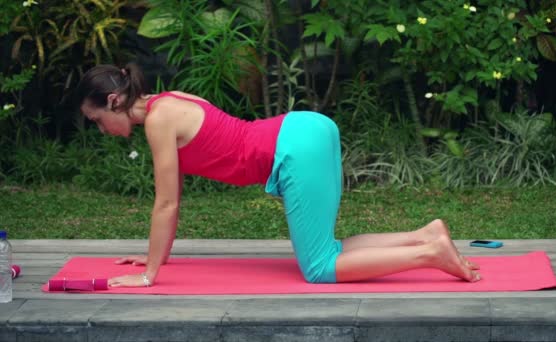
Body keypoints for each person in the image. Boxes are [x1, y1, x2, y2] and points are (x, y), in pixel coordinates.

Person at [75, 63, 481, 288]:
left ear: (113, 101)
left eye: (97, 120)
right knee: (329, 249)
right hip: (305, 128)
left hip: (292, 149)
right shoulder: (170, 100)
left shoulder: (158, 121)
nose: (101, 129)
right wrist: (154, 256)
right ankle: (426, 236)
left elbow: (166, 202)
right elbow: (174, 196)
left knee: (320, 268)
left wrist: (148, 276)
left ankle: (429, 255)